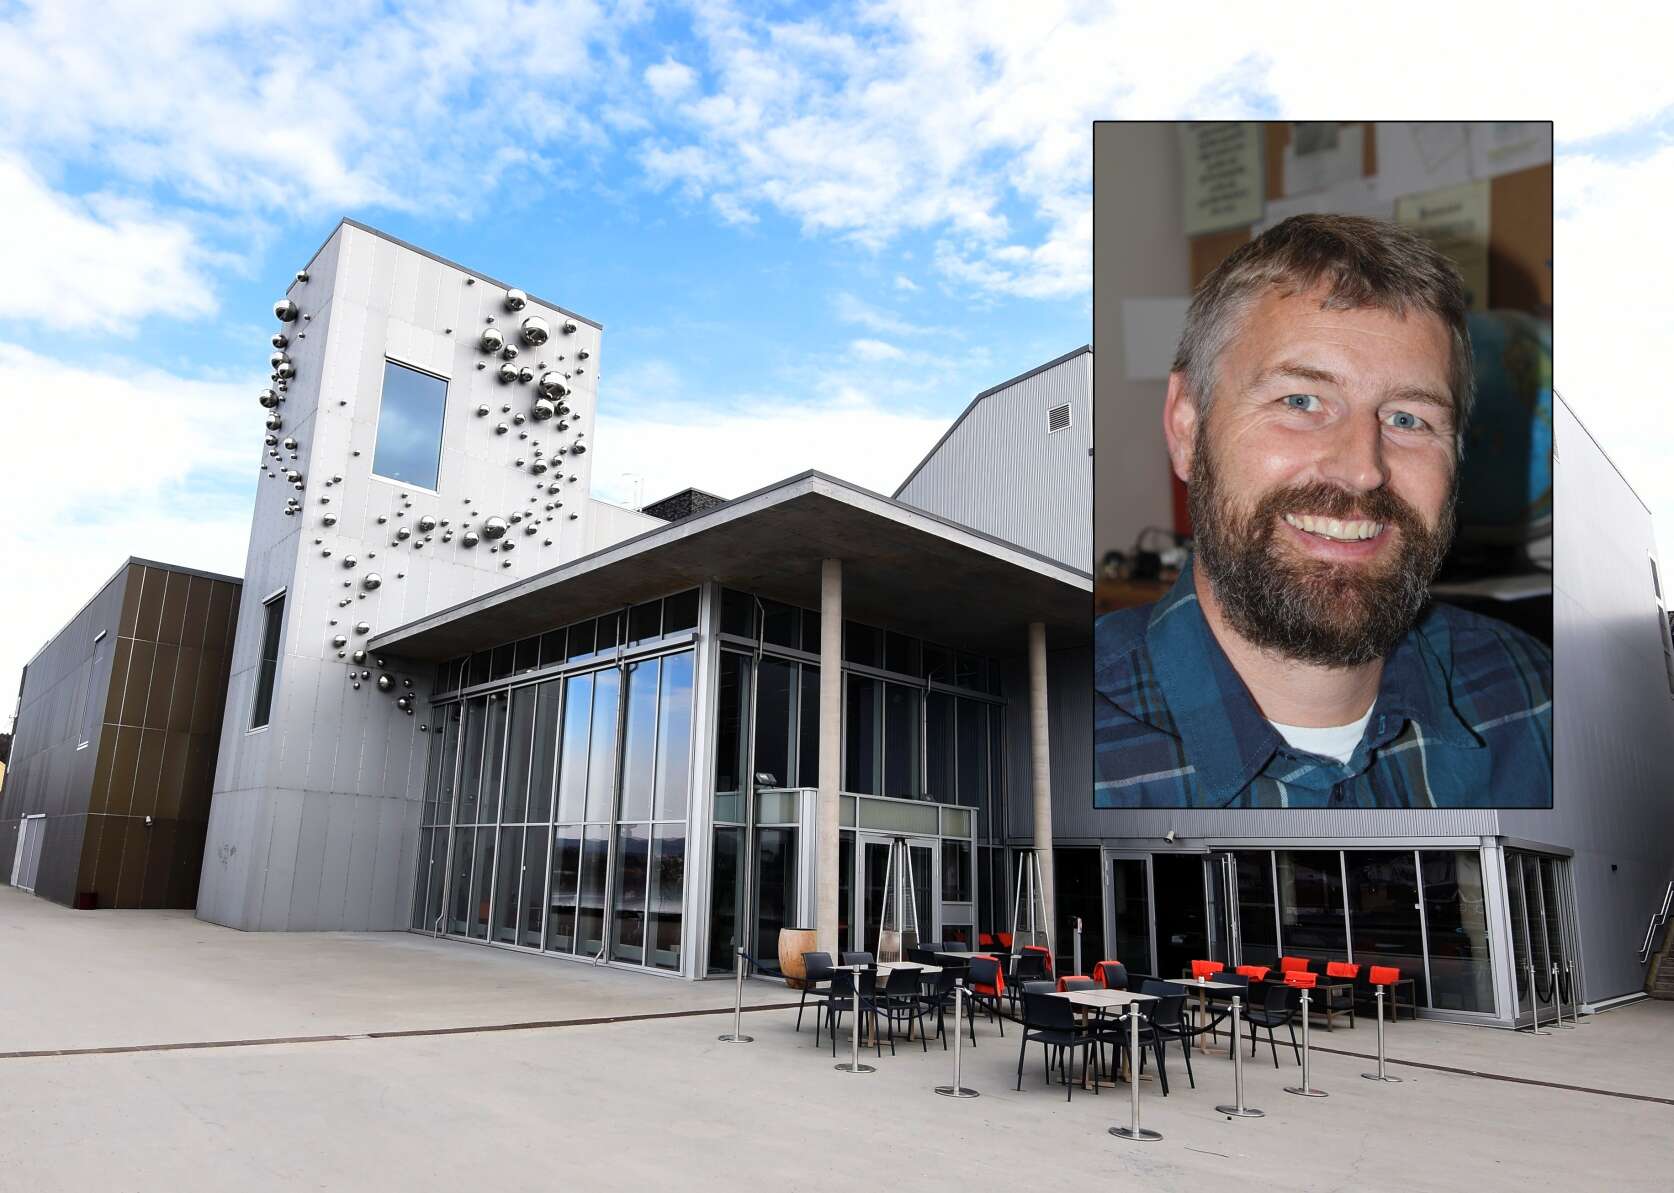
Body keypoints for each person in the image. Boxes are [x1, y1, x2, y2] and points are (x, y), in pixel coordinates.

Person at [1095, 214, 1551, 808]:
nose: (1362, 469)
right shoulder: (1056, 744)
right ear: (1187, 427)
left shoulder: (1535, 696)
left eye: (1408, 418)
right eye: (1301, 400)